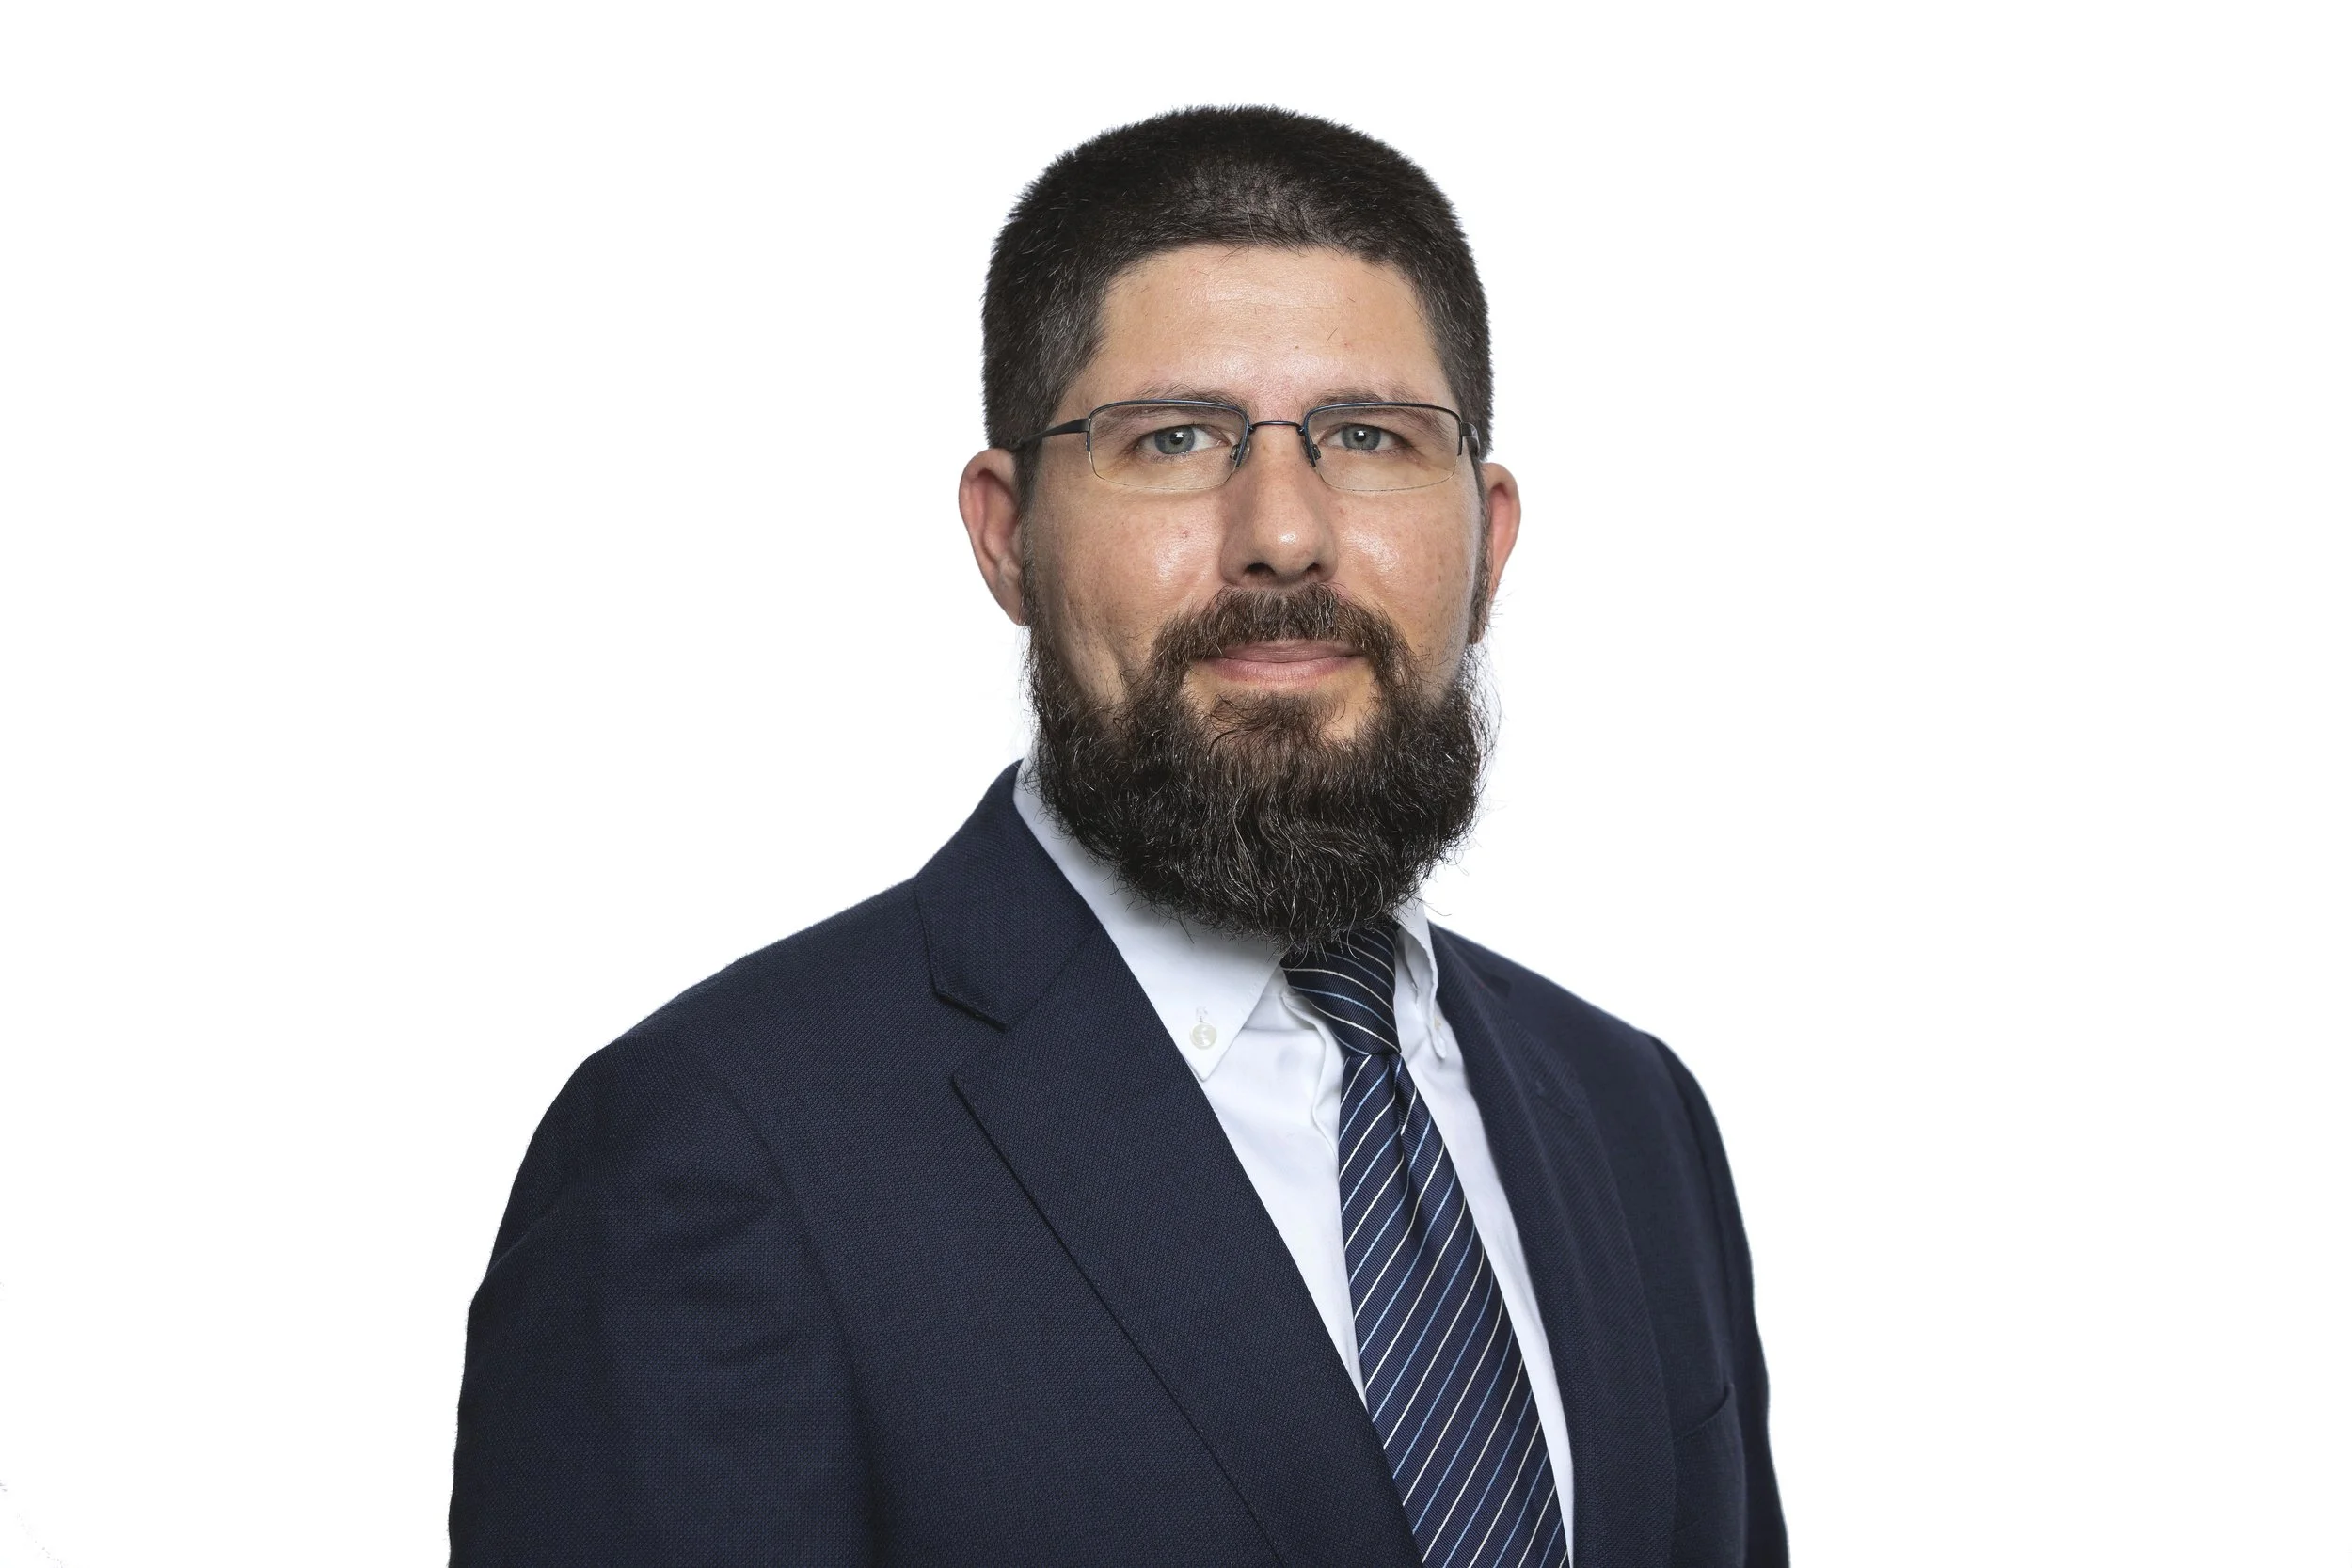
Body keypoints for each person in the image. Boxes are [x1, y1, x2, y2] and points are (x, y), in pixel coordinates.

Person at [451, 104, 1786, 1568]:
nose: (1284, 531)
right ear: (1005, 534)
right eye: (1172, 438)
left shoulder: (1636, 1117)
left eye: (1368, 437)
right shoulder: (716, 1150)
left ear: (1489, 537)